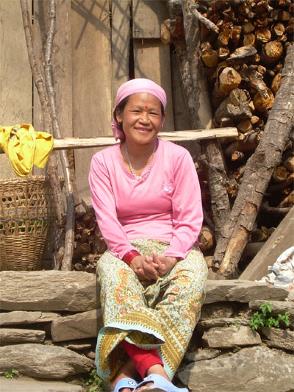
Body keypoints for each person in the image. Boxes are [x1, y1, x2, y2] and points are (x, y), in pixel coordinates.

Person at [89, 78, 208, 392]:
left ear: (162, 120)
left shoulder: (178, 158)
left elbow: (190, 218)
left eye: (153, 113)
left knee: (193, 276)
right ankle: (158, 375)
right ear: (119, 115)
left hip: (173, 248)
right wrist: (131, 257)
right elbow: (108, 221)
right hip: (124, 248)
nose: (145, 119)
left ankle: (125, 375)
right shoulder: (102, 162)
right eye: (136, 111)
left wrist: (171, 257)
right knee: (115, 278)